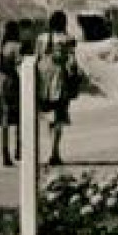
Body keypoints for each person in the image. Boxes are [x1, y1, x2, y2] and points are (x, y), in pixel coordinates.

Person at [34, 10, 80, 165]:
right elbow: (72, 63)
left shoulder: (41, 39)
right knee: (59, 118)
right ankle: (54, 151)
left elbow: (36, 58)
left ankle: (50, 149)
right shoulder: (68, 39)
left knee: (49, 117)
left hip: (43, 80)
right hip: (59, 81)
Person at [0, 21, 24, 168]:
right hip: (11, 82)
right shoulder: (16, 47)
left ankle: (5, 153)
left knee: (3, 121)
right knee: (19, 116)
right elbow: (20, 65)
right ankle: (18, 149)